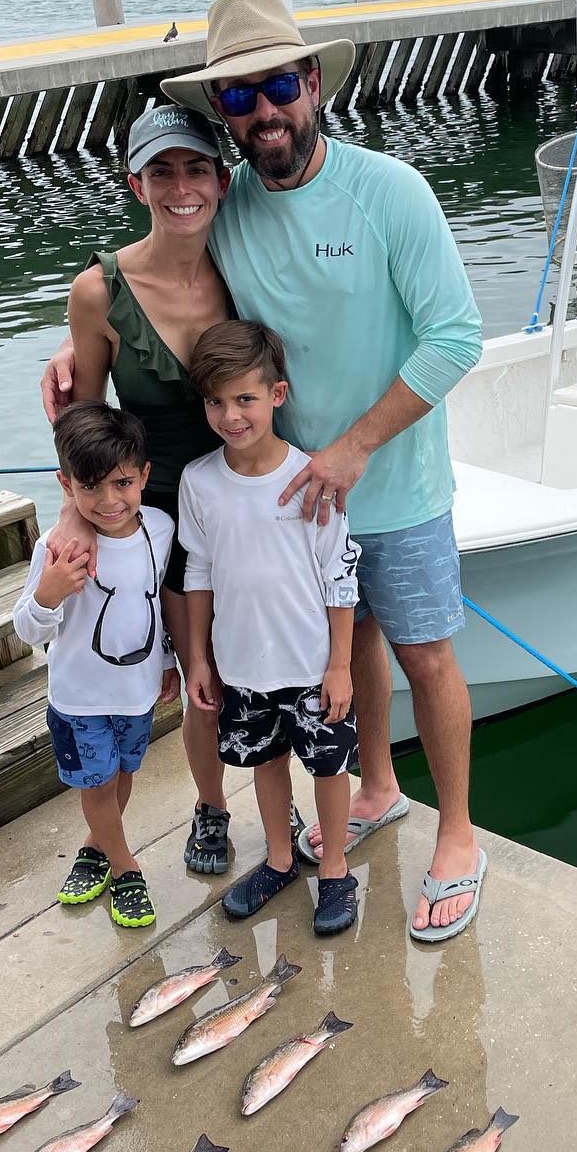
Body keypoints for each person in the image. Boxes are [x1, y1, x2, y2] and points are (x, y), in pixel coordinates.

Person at [160, 0, 486, 942]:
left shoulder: (391, 191)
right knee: (360, 650)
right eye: (238, 98)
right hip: (297, 502)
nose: (263, 112)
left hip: (397, 483)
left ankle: (459, 835)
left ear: (311, 83)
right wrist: (78, 343)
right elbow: (160, 286)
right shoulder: (228, 214)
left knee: (426, 652)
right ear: (225, 116)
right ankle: (377, 787)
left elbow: (456, 337)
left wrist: (354, 447)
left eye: (275, 85)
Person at [39, 104, 250, 880]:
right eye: (162, 171)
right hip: (153, 507)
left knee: (253, 662)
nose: (181, 187)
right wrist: (78, 521)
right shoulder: (98, 291)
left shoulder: (246, 259)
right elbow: (86, 421)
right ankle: (207, 808)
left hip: (242, 493)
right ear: (136, 184)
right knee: (189, 672)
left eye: (196, 167)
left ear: (224, 181)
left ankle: (266, 788)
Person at [179, 320, 363, 936]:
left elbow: (340, 577)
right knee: (266, 763)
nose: (231, 415)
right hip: (241, 665)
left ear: (276, 395)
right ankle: (280, 860)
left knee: (330, 769)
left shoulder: (312, 478)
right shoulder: (199, 481)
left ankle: (334, 868)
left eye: (245, 399)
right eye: (215, 402)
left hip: (310, 665)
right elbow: (200, 570)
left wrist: (340, 665)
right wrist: (201, 660)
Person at [13, 403, 179, 928]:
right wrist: (48, 593)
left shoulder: (162, 527)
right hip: (79, 697)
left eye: (123, 483)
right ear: (67, 485)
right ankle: (126, 868)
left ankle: (95, 847)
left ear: (144, 477)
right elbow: (27, 630)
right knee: (97, 784)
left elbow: (158, 603)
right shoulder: (56, 547)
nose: (109, 501)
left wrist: (170, 661)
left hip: (138, 690)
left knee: (124, 774)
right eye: (90, 488)